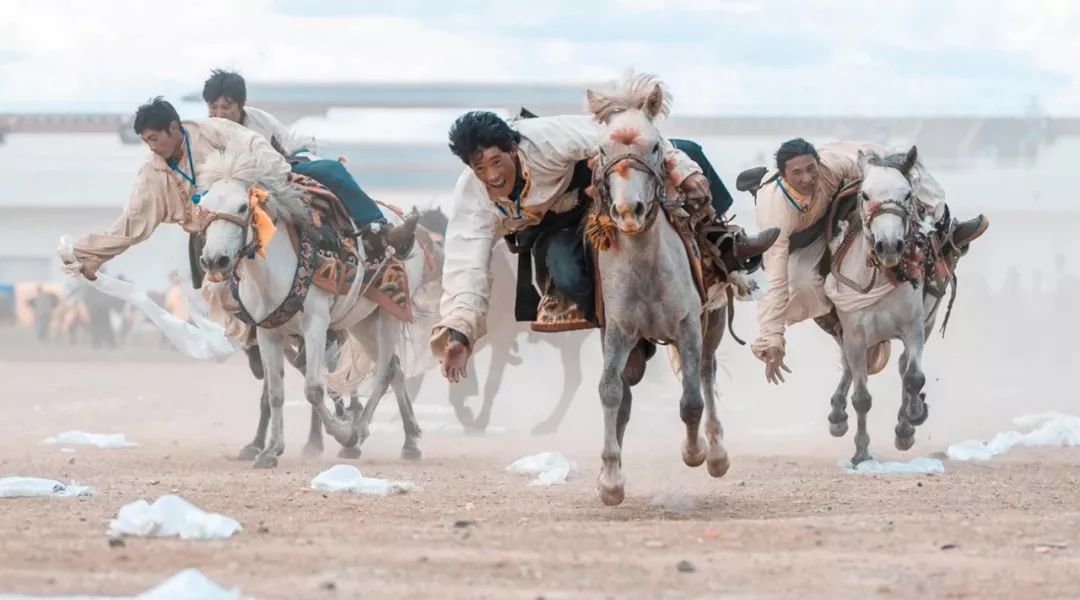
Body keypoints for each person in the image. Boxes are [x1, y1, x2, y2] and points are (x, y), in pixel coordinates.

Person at [431, 109, 778, 383]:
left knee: (687, 150)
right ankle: (623, 334)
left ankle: (723, 239)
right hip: (554, 227)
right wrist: (461, 331)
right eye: (480, 167)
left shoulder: (546, 138)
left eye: (496, 161)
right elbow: (465, 266)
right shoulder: (473, 197)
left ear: (512, 148)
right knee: (567, 274)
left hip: (603, 191)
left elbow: (629, 133)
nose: (491, 175)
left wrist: (684, 171)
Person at [56, 97, 290, 353]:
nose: (151, 147)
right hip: (205, 237)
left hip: (248, 217)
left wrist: (283, 171)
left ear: (175, 128)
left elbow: (253, 143)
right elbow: (129, 226)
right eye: (146, 141)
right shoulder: (151, 176)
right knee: (219, 293)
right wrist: (84, 256)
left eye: (155, 139)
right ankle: (252, 342)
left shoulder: (210, 131)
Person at [749, 138, 988, 384]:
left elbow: (877, 174)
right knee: (801, 285)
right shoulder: (775, 209)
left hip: (837, 197)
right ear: (784, 175)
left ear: (818, 164)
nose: (808, 178)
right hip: (799, 238)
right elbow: (775, 279)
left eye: (811, 169)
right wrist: (773, 339)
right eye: (797, 173)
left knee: (902, 168)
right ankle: (836, 321)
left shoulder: (833, 167)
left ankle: (945, 230)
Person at [201, 69, 413, 251]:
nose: (219, 114)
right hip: (231, 190)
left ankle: (380, 228)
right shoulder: (203, 135)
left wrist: (286, 167)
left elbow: (285, 147)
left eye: (226, 107)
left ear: (241, 105)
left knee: (332, 169)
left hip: (280, 171)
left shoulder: (259, 119)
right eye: (213, 107)